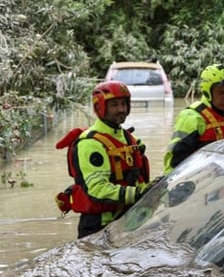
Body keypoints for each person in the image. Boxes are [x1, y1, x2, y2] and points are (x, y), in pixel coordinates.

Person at [55, 81, 152, 239]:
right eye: (114, 105)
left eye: (123, 104)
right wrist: (140, 194)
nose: (121, 109)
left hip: (128, 220)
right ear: (100, 107)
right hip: (99, 226)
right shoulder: (89, 143)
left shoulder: (128, 138)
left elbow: (138, 180)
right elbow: (97, 189)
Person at [163, 63, 224, 174]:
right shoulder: (192, 117)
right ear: (207, 92)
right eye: (221, 93)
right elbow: (174, 160)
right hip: (200, 180)